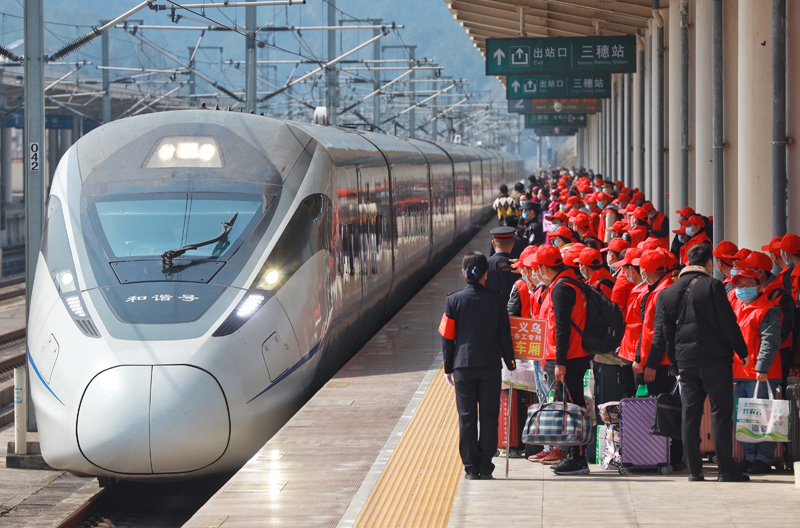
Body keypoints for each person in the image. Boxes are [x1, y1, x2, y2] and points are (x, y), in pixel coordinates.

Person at [650, 243, 750, 482]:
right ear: (708, 263)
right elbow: (728, 322)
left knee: (690, 414)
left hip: (685, 361)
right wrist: (742, 350)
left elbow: (665, 333)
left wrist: (675, 362)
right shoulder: (713, 286)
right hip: (715, 359)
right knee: (720, 413)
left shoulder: (667, 292)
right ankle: (725, 470)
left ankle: (694, 470)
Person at [440, 251, 516, 480]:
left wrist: (448, 367)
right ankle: (486, 466)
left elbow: (447, 337)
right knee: (490, 417)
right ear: (486, 274)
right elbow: (505, 335)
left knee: (467, 418)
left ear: (463, 273)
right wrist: (511, 363)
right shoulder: (497, 299)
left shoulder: (453, 300)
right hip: (490, 366)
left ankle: (471, 468)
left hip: (462, 366)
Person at [533, 245, 592, 475]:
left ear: (544, 268)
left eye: (538, 268)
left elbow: (561, 328)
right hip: (573, 356)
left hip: (568, 358)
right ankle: (574, 456)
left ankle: (578, 459)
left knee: (572, 409)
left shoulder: (561, 288)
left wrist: (560, 363)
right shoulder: (570, 282)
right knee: (571, 407)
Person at [728, 268, 782, 475]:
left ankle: (764, 458)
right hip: (739, 372)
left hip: (760, 373)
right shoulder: (736, 306)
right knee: (742, 419)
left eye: (748, 285)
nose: (743, 289)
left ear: (759, 286)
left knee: (763, 417)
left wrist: (762, 367)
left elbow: (770, 340)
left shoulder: (768, 308)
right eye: (739, 286)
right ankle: (750, 456)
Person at [485, 226, 517, 302]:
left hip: (490, 306)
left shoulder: (485, 263)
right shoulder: (518, 266)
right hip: (512, 307)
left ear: (493, 243)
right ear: (512, 244)